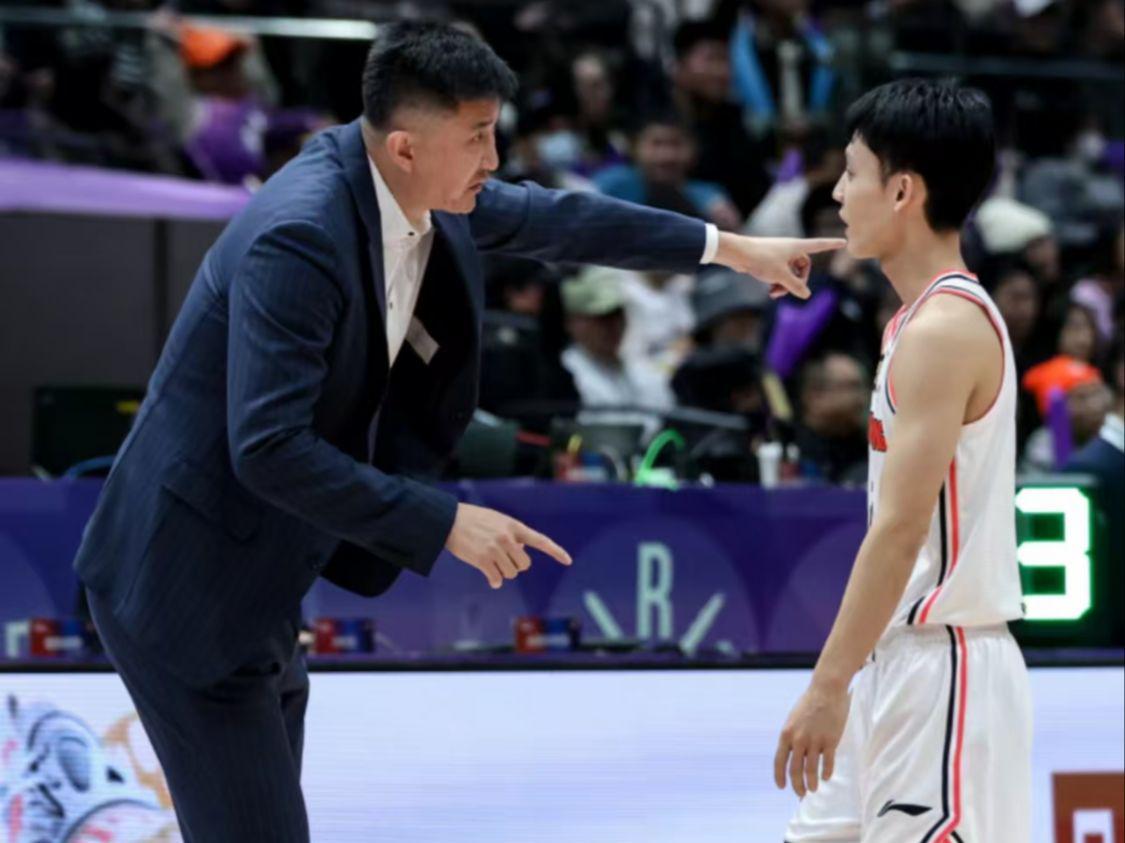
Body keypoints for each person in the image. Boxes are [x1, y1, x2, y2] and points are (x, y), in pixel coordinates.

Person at [73, 22, 841, 842]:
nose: (493, 158)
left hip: (259, 572)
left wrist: (729, 248)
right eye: (477, 137)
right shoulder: (299, 237)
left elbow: (562, 220)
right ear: (405, 146)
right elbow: (266, 447)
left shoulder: (416, 187)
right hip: (182, 584)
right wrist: (443, 521)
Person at [777, 79, 1031, 842]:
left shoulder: (942, 330)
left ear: (900, 191)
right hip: (895, 659)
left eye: (850, 171)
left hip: (943, 664)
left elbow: (898, 530)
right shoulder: (912, 324)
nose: (836, 191)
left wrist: (826, 685)